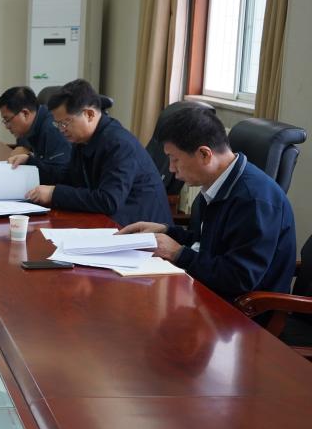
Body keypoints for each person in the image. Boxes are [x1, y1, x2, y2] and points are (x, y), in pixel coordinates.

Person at [118, 106, 296, 300]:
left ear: (204, 154)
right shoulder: (218, 183)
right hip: (208, 291)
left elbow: (239, 279)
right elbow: (207, 242)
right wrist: (166, 231)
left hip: (242, 310)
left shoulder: (255, 200)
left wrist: (178, 253)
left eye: (175, 159)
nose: (171, 169)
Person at [16, 79, 172, 227]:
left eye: (65, 123)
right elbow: (69, 177)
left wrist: (54, 194)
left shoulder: (118, 144)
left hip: (142, 231)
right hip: (111, 222)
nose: (61, 130)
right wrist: (31, 164)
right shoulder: (83, 139)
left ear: (89, 115)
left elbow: (108, 201)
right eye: (58, 124)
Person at [0, 85, 71, 174]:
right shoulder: (33, 124)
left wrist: (29, 161)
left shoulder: (52, 129)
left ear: (25, 114)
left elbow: (61, 174)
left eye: (7, 120)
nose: (7, 126)